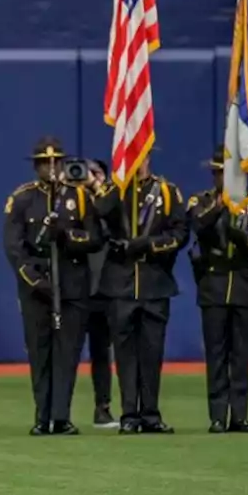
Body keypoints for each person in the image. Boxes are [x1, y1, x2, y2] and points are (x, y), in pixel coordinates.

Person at [3, 136, 103, 436]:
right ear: (36, 167)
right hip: (37, 289)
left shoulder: (80, 197)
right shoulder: (22, 198)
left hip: (71, 286)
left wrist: (68, 235)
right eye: (45, 163)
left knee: (68, 353)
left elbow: (95, 238)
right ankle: (41, 416)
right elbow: (13, 246)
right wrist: (35, 279)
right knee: (40, 352)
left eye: (56, 162)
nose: (51, 167)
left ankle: (61, 416)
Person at [91, 154, 188, 435]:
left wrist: (149, 245)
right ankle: (129, 414)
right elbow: (98, 211)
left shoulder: (168, 192)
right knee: (124, 353)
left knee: (151, 352)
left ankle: (151, 414)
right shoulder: (115, 190)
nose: (137, 163)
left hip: (154, 283)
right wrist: (113, 186)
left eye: (141, 156)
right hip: (120, 284)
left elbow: (180, 233)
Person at [187, 146, 248, 434]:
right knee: (216, 353)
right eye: (220, 173)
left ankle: (240, 415)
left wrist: (243, 236)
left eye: (230, 173)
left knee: (242, 354)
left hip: (246, 285)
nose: (225, 178)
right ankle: (217, 416)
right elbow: (197, 225)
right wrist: (222, 205)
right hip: (214, 284)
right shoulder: (202, 201)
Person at [85, 159, 118, 429]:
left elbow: (110, 217)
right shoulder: (68, 202)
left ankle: (103, 407)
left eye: (95, 173)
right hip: (74, 289)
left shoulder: (111, 202)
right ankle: (56, 413)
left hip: (105, 289)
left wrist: (97, 187)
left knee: (102, 353)